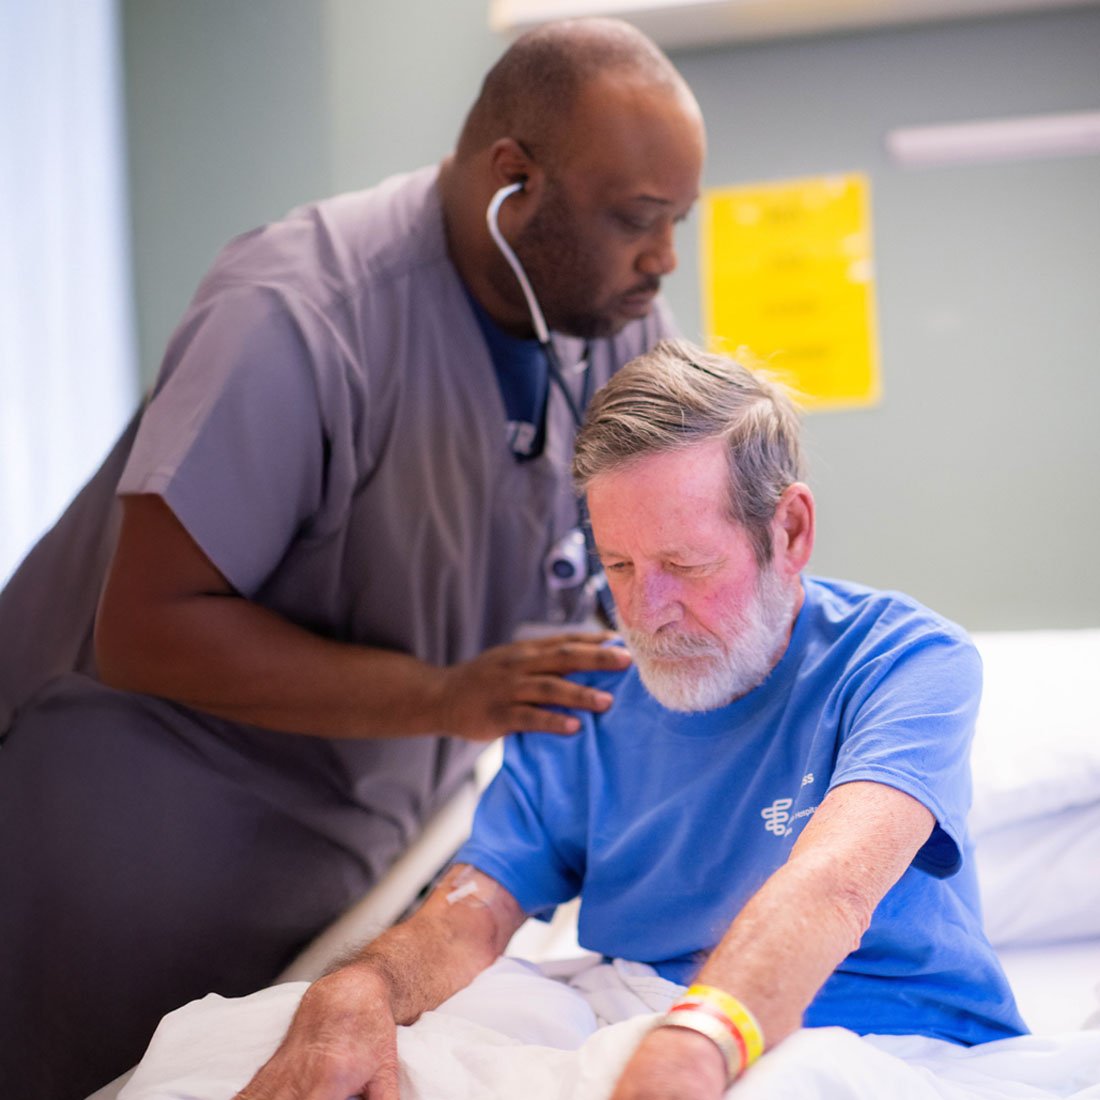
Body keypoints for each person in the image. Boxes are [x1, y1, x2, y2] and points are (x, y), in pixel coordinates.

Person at [0, 19, 705, 1100]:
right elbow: (144, 626)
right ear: (512, 182)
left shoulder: (602, 316)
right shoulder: (295, 313)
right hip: (133, 815)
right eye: (636, 220)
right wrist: (446, 694)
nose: (663, 258)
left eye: (676, 222)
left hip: (353, 822)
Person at [233, 340, 1026, 1100]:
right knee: (237, 1042)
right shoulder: (588, 691)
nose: (645, 612)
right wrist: (362, 987)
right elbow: (471, 912)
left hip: (888, 1040)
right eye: (619, 566)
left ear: (788, 532)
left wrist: (693, 1046)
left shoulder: (903, 663)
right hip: (639, 1013)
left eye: (685, 566)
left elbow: (833, 890)